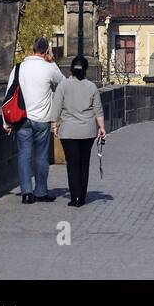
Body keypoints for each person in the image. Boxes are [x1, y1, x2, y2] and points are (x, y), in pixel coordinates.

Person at [4, 37, 65, 203]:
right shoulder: (49, 67)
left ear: (32, 49)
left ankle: (26, 193)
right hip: (42, 119)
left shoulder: (19, 68)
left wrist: (6, 122)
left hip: (22, 118)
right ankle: (41, 192)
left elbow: (8, 95)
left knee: (24, 155)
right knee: (41, 156)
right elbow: (64, 85)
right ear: (46, 51)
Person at [51, 55, 106, 207]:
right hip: (88, 131)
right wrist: (102, 128)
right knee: (84, 163)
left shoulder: (63, 85)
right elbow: (98, 110)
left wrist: (54, 125)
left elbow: (56, 107)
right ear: (86, 69)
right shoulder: (91, 87)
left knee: (72, 164)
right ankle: (82, 197)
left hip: (68, 131)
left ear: (71, 69)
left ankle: (74, 197)